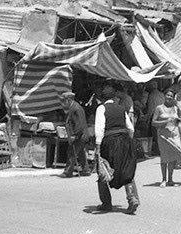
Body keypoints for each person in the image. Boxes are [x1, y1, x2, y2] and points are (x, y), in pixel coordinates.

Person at [94, 79, 140, 214]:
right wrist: (128, 142)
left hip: (109, 142)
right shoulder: (121, 109)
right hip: (124, 140)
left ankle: (106, 203)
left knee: (103, 170)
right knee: (126, 170)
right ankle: (132, 198)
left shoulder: (101, 108)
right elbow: (130, 129)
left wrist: (98, 146)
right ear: (114, 97)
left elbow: (99, 128)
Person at [151, 88, 181, 187]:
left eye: (171, 96)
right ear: (164, 96)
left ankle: (170, 179)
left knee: (173, 155)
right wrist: (165, 122)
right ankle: (163, 179)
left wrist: (179, 120)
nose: (169, 97)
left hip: (174, 134)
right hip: (163, 135)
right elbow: (153, 122)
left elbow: (178, 120)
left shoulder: (175, 108)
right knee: (164, 157)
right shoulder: (159, 108)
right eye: (168, 95)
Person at [60, 92, 91, 178]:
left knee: (71, 152)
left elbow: (79, 124)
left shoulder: (76, 108)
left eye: (64, 101)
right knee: (80, 152)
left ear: (69, 100)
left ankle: (68, 172)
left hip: (80, 136)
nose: (62, 103)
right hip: (80, 135)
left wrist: (74, 135)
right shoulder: (72, 107)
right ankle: (86, 170)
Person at [145, 81, 165, 156]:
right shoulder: (161, 94)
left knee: (156, 135)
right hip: (163, 115)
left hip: (155, 117)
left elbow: (150, 109)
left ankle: (160, 151)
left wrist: (148, 120)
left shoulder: (151, 96)